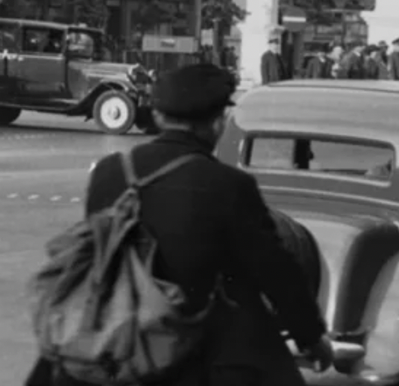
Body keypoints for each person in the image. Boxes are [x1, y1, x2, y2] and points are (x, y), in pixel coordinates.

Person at [24, 63, 334, 386]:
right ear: (217, 123)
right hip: (188, 344)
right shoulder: (228, 184)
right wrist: (310, 336)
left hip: (111, 332)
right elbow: (273, 269)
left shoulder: (110, 170)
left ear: (158, 117)